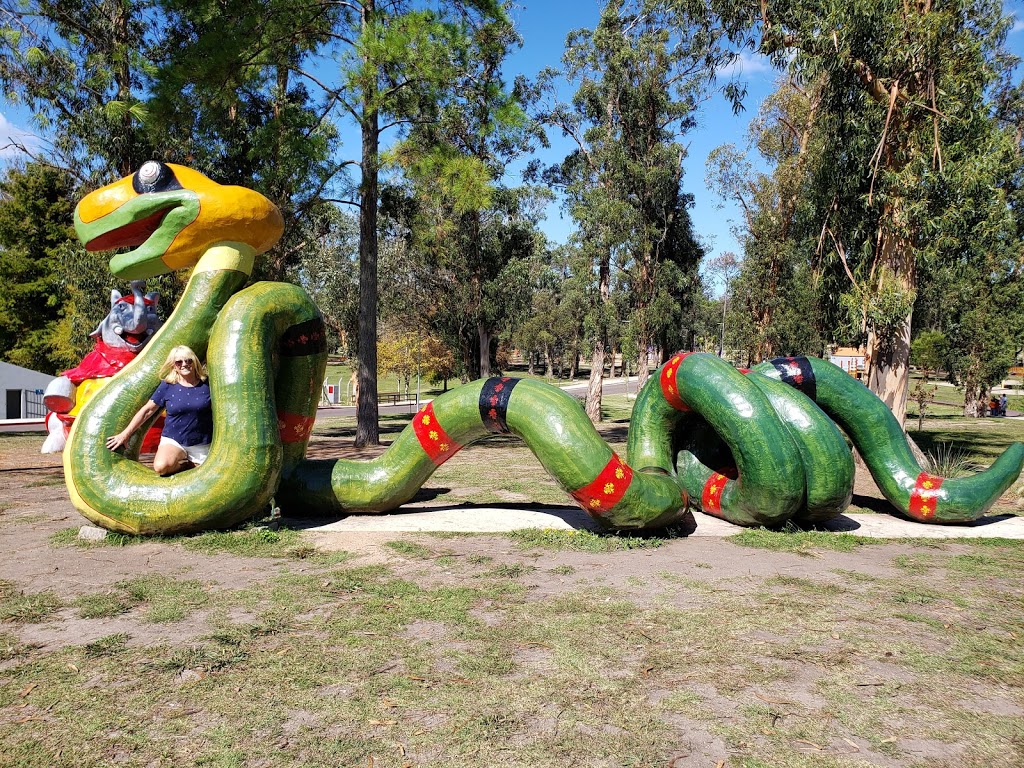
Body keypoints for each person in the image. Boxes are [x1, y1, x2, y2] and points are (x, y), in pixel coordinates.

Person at [106, 345, 213, 475]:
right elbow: (147, 410)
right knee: (161, 467)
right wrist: (125, 434)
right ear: (174, 365)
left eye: (188, 360)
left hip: (202, 443)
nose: (184, 364)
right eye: (179, 362)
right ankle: (185, 465)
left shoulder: (208, 384)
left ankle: (191, 464)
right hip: (174, 440)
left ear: (194, 361)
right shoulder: (168, 385)